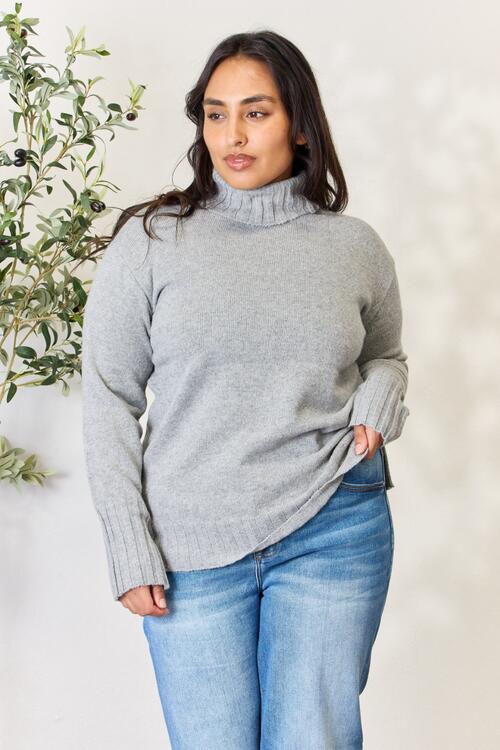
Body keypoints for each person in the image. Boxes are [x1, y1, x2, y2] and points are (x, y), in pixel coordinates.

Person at [81, 29, 410, 750]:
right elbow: (108, 395)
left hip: (334, 522)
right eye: (215, 113)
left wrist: (382, 395)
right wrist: (128, 545)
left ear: (300, 123)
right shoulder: (152, 241)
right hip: (191, 540)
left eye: (256, 113)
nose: (232, 134)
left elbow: (385, 356)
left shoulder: (354, 247)